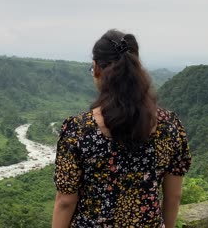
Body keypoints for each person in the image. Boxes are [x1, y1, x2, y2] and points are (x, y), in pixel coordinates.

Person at [51, 29, 191, 228]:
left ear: (97, 69)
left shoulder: (78, 131)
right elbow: (173, 196)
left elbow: (65, 202)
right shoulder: (169, 125)